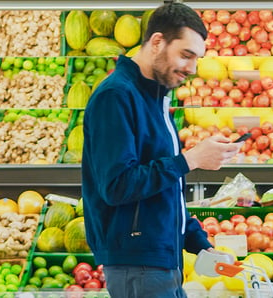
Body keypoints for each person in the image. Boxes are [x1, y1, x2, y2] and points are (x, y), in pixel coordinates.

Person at [81, 3, 242, 297]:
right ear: (157, 42)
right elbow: (117, 185)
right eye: (185, 54)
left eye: (196, 58)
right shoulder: (116, 97)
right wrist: (189, 160)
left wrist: (198, 243)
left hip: (158, 260)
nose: (192, 68)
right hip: (137, 262)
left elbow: (163, 192)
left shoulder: (156, 98)